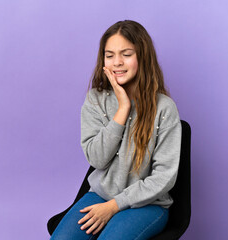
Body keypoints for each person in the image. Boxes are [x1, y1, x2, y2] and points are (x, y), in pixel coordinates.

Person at [50, 20, 182, 240]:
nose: (117, 62)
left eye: (126, 54)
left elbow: (163, 178)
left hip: (148, 204)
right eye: (109, 55)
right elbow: (97, 160)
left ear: (142, 57)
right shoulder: (95, 100)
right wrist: (123, 109)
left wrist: (114, 206)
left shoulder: (165, 108)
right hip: (100, 195)